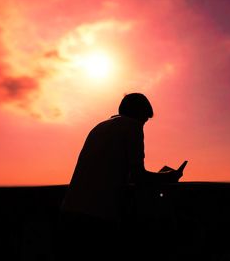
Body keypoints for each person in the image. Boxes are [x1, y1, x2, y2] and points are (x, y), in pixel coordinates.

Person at [55, 93, 183, 259]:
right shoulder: (132, 127)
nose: (143, 125)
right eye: (144, 120)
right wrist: (167, 177)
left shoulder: (100, 127)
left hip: (70, 210)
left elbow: (110, 171)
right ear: (138, 114)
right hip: (97, 216)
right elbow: (138, 176)